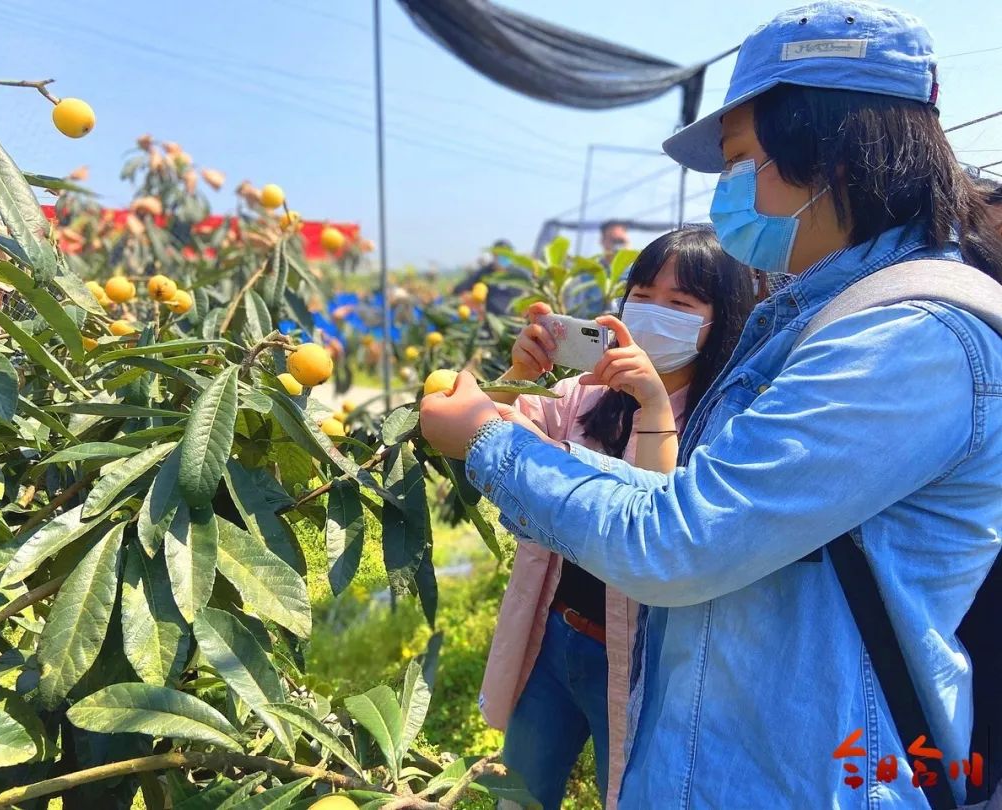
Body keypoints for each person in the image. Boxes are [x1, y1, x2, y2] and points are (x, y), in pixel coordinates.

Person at [420, 3, 1002, 808]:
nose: (727, 192)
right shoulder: (819, 317)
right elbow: (692, 506)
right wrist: (515, 408)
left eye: (739, 161)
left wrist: (485, 440)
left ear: (828, 151)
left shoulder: (913, 339)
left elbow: (682, 541)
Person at [480, 227, 752, 810]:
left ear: (720, 320)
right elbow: (502, 437)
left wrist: (654, 404)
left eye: (681, 304)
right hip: (554, 632)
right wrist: (521, 376)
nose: (655, 313)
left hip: (640, 663)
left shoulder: (724, 425)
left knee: (631, 795)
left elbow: (657, 526)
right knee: (519, 793)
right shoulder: (582, 394)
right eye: (644, 294)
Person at [453, 239, 527, 315]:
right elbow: (460, 288)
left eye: (507, 253)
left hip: (514, 322)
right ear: (493, 254)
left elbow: (531, 289)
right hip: (490, 322)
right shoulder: (484, 273)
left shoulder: (519, 274)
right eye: (501, 253)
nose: (504, 256)